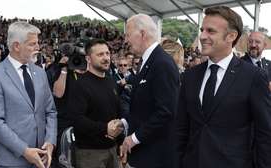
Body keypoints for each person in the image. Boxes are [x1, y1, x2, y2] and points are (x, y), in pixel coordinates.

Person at [176, 6, 271, 168]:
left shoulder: (253, 77)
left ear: (231, 36)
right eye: (202, 30)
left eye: (210, 31)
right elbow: (180, 129)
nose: (202, 36)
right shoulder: (190, 76)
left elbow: (265, 134)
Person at [0, 21, 57, 168]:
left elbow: (51, 111)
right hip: (11, 162)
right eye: (32, 44)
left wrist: (50, 142)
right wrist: (24, 151)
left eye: (38, 43)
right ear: (16, 46)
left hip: (42, 159)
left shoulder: (40, 73)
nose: (38, 47)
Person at [120, 14, 180, 168]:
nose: (126, 40)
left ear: (142, 34)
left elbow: (166, 111)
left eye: (128, 35)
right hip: (145, 153)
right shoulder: (148, 60)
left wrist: (134, 138)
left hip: (155, 156)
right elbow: (145, 107)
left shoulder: (161, 63)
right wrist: (125, 123)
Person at [66, 38, 123, 168]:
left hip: (113, 150)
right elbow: (76, 119)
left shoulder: (110, 81)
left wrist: (120, 140)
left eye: (107, 53)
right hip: (90, 153)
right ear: (88, 59)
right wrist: (105, 129)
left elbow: (117, 112)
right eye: (100, 54)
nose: (106, 58)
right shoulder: (80, 84)